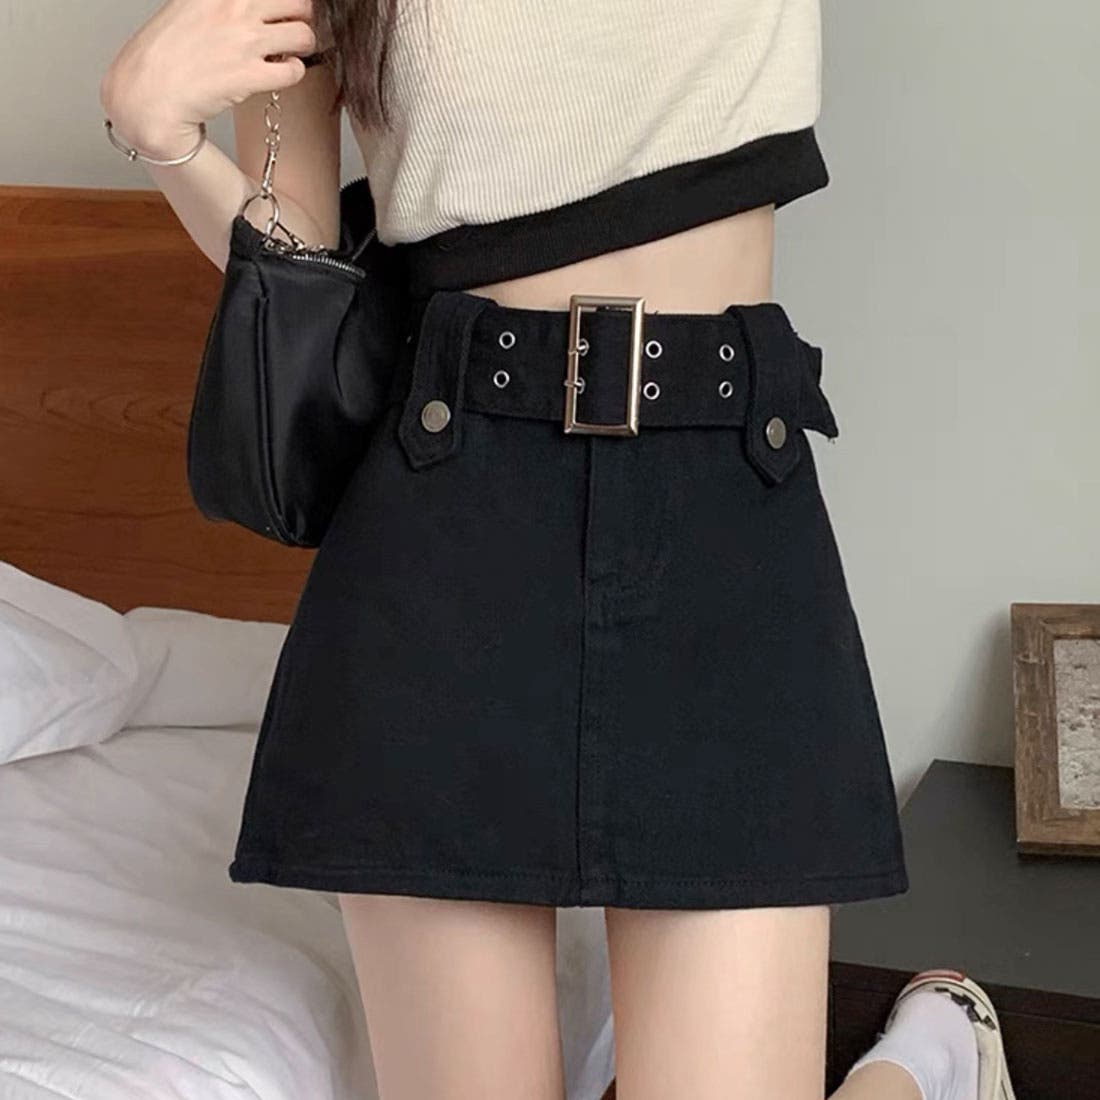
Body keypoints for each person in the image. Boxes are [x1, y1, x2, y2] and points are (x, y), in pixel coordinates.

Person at [99, 2, 1016, 1098]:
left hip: (720, 499)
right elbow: (297, 263)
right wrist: (158, 133)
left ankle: (926, 1061)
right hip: (447, 514)